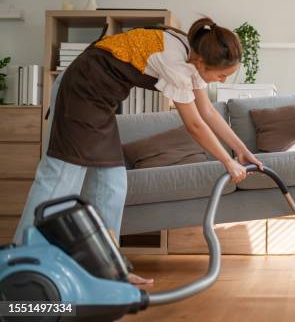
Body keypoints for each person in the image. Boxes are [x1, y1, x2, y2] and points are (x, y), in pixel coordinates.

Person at [14, 17, 263, 283]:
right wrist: (227, 161)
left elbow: (208, 112)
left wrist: (241, 150)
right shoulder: (175, 62)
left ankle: (107, 269)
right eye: (222, 75)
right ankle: (20, 266)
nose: (221, 80)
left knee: (113, 185)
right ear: (202, 62)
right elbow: (194, 124)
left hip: (101, 105)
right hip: (80, 92)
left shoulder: (192, 55)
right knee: (61, 178)